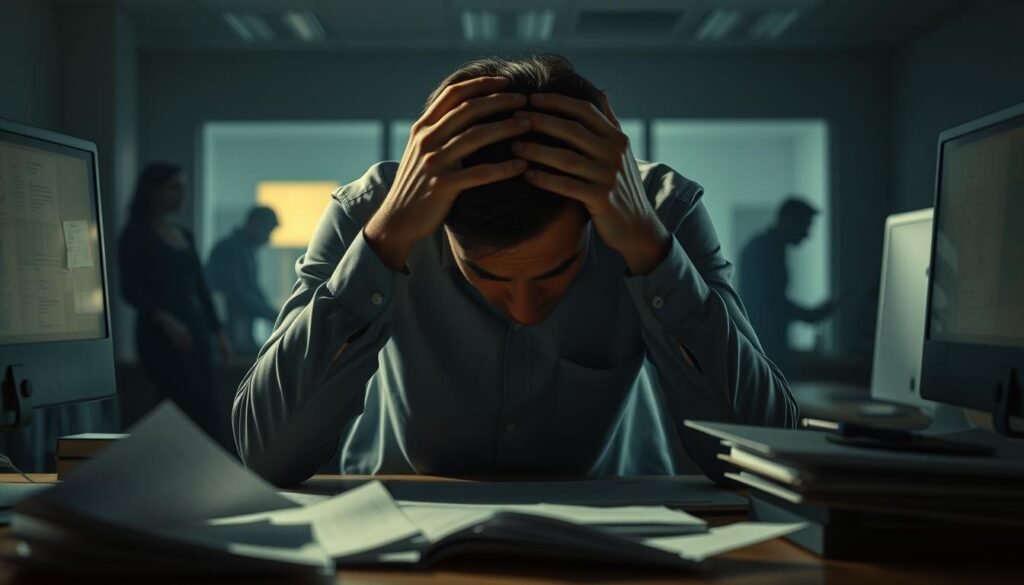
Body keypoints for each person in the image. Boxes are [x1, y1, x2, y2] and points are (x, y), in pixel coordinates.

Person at [233, 55, 798, 486]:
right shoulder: (373, 215)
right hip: (398, 538)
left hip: (615, 541)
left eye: (558, 273)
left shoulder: (661, 214)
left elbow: (769, 451)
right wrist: (383, 243)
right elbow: (265, 454)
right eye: (488, 278)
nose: (527, 312)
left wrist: (651, 253)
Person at [120, 162, 231, 437]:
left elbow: (201, 287)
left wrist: (218, 332)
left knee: (205, 402)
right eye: (174, 188)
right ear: (153, 190)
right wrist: (166, 320)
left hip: (194, 328)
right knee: (183, 401)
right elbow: (129, 289)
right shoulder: (135, 234)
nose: (181, 195)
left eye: (182, 188)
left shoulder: (185, 235)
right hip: (159, 333)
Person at [738, 197, 836, 374]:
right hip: (764, 346)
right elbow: (771, 303)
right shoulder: (765, 250)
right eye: (805, 225)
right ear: (789, 219)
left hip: (761, 345)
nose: (807, 233)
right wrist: (810, 315)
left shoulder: (763, 247)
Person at [207, 206, 280, 355]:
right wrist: (274, 315)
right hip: (228, 332)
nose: (268, 238)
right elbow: (237, 294)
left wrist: (275, 314)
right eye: (267, 230)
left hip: (237, 331)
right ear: (254, 224)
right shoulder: (230, 249)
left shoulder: (243, 250)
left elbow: (253, 290)